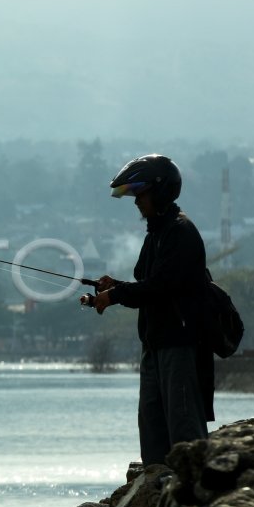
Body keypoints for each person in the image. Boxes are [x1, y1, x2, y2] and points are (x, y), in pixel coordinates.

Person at [89, 154, 214, 466]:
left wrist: (115, 294)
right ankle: (157, 500)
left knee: (185, 431)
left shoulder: (181, 233)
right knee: (153, 434)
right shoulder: (156, 234)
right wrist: (112, 287)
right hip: (154, 346)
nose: (136, 203)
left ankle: (194, 501)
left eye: (139, 194)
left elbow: (161, 287)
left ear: (159, 192)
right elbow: (147, 286)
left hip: (180, 346)